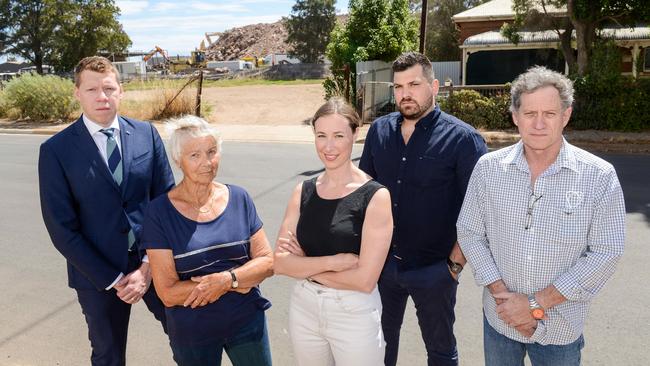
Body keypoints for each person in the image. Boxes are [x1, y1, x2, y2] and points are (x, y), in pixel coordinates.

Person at [457, 66, 626, 366]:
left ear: (566, 116)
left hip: (560, 329)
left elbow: (605, 252)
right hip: (500, 320)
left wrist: (535, 305)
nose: (538, 124)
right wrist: (504, 299)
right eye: (529, 113)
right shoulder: (488, 169)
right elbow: (470, 232)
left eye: (549, 114)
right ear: (514, 117)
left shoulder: (598, 176)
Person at [38, 56, 174, 366]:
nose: (102, 96)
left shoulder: (146, 134)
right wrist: (114, 279)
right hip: (97, 276)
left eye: (109, 88)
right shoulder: (55, 151)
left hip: (154, 262)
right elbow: (61, 228)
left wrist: (147, 266)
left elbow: (164, 203)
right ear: (77, 93)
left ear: (121, 91)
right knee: (108, 356)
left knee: (188, 337)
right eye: (92, 90)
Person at [359, 51, 488, 366]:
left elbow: (480, 211)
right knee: (378, 347)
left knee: (440, 351)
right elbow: (363, 194)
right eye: (399, 86)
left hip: (435, 270)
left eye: (414, 84)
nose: (405, 94)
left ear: (434, 86)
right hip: (383, 267)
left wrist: (453, 267)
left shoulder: (464, 140)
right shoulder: (379, 131)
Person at [141, 115, 274, 366]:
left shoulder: (239, 198)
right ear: (178, 160)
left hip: (247, 322)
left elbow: (268, 262)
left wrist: (227, 281)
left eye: (212, 152)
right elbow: (168, 292)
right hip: (193, 333)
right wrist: (241, 280)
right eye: (195, 155)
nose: (207, 162)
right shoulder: (159, 213)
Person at [274, 98, 393, 366]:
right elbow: (280, 263)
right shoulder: (302, 191)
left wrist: (303, 265)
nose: (329, 146)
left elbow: (364, 280)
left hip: (353, 311)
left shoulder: (375, 196)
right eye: (321, 135)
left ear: (355, 133)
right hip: (304, 307)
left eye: (339, 135)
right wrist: (334, 263)